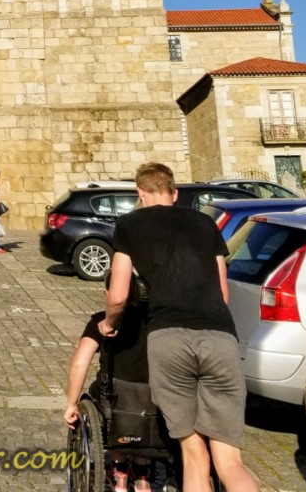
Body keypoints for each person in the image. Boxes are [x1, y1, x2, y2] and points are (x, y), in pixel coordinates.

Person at [102, 162, 258, 492]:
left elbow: (117, 295)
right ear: (173, 193)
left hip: (168, 337)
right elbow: (223, 292)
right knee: (230, 462)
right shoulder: (205, 223)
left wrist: (108, 324)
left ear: (139, 194)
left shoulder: (129, 225)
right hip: (219, 337)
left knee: (194, 455)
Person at [65, 280, 154, 492]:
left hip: (114, 399)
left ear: (109, 292)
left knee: (108, 399)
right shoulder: (155, 321)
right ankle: (142, 473)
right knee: (142, 399)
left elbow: (80, 362)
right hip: (152, 401)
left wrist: (71, 403)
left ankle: (119, 470)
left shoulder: (101, 322)